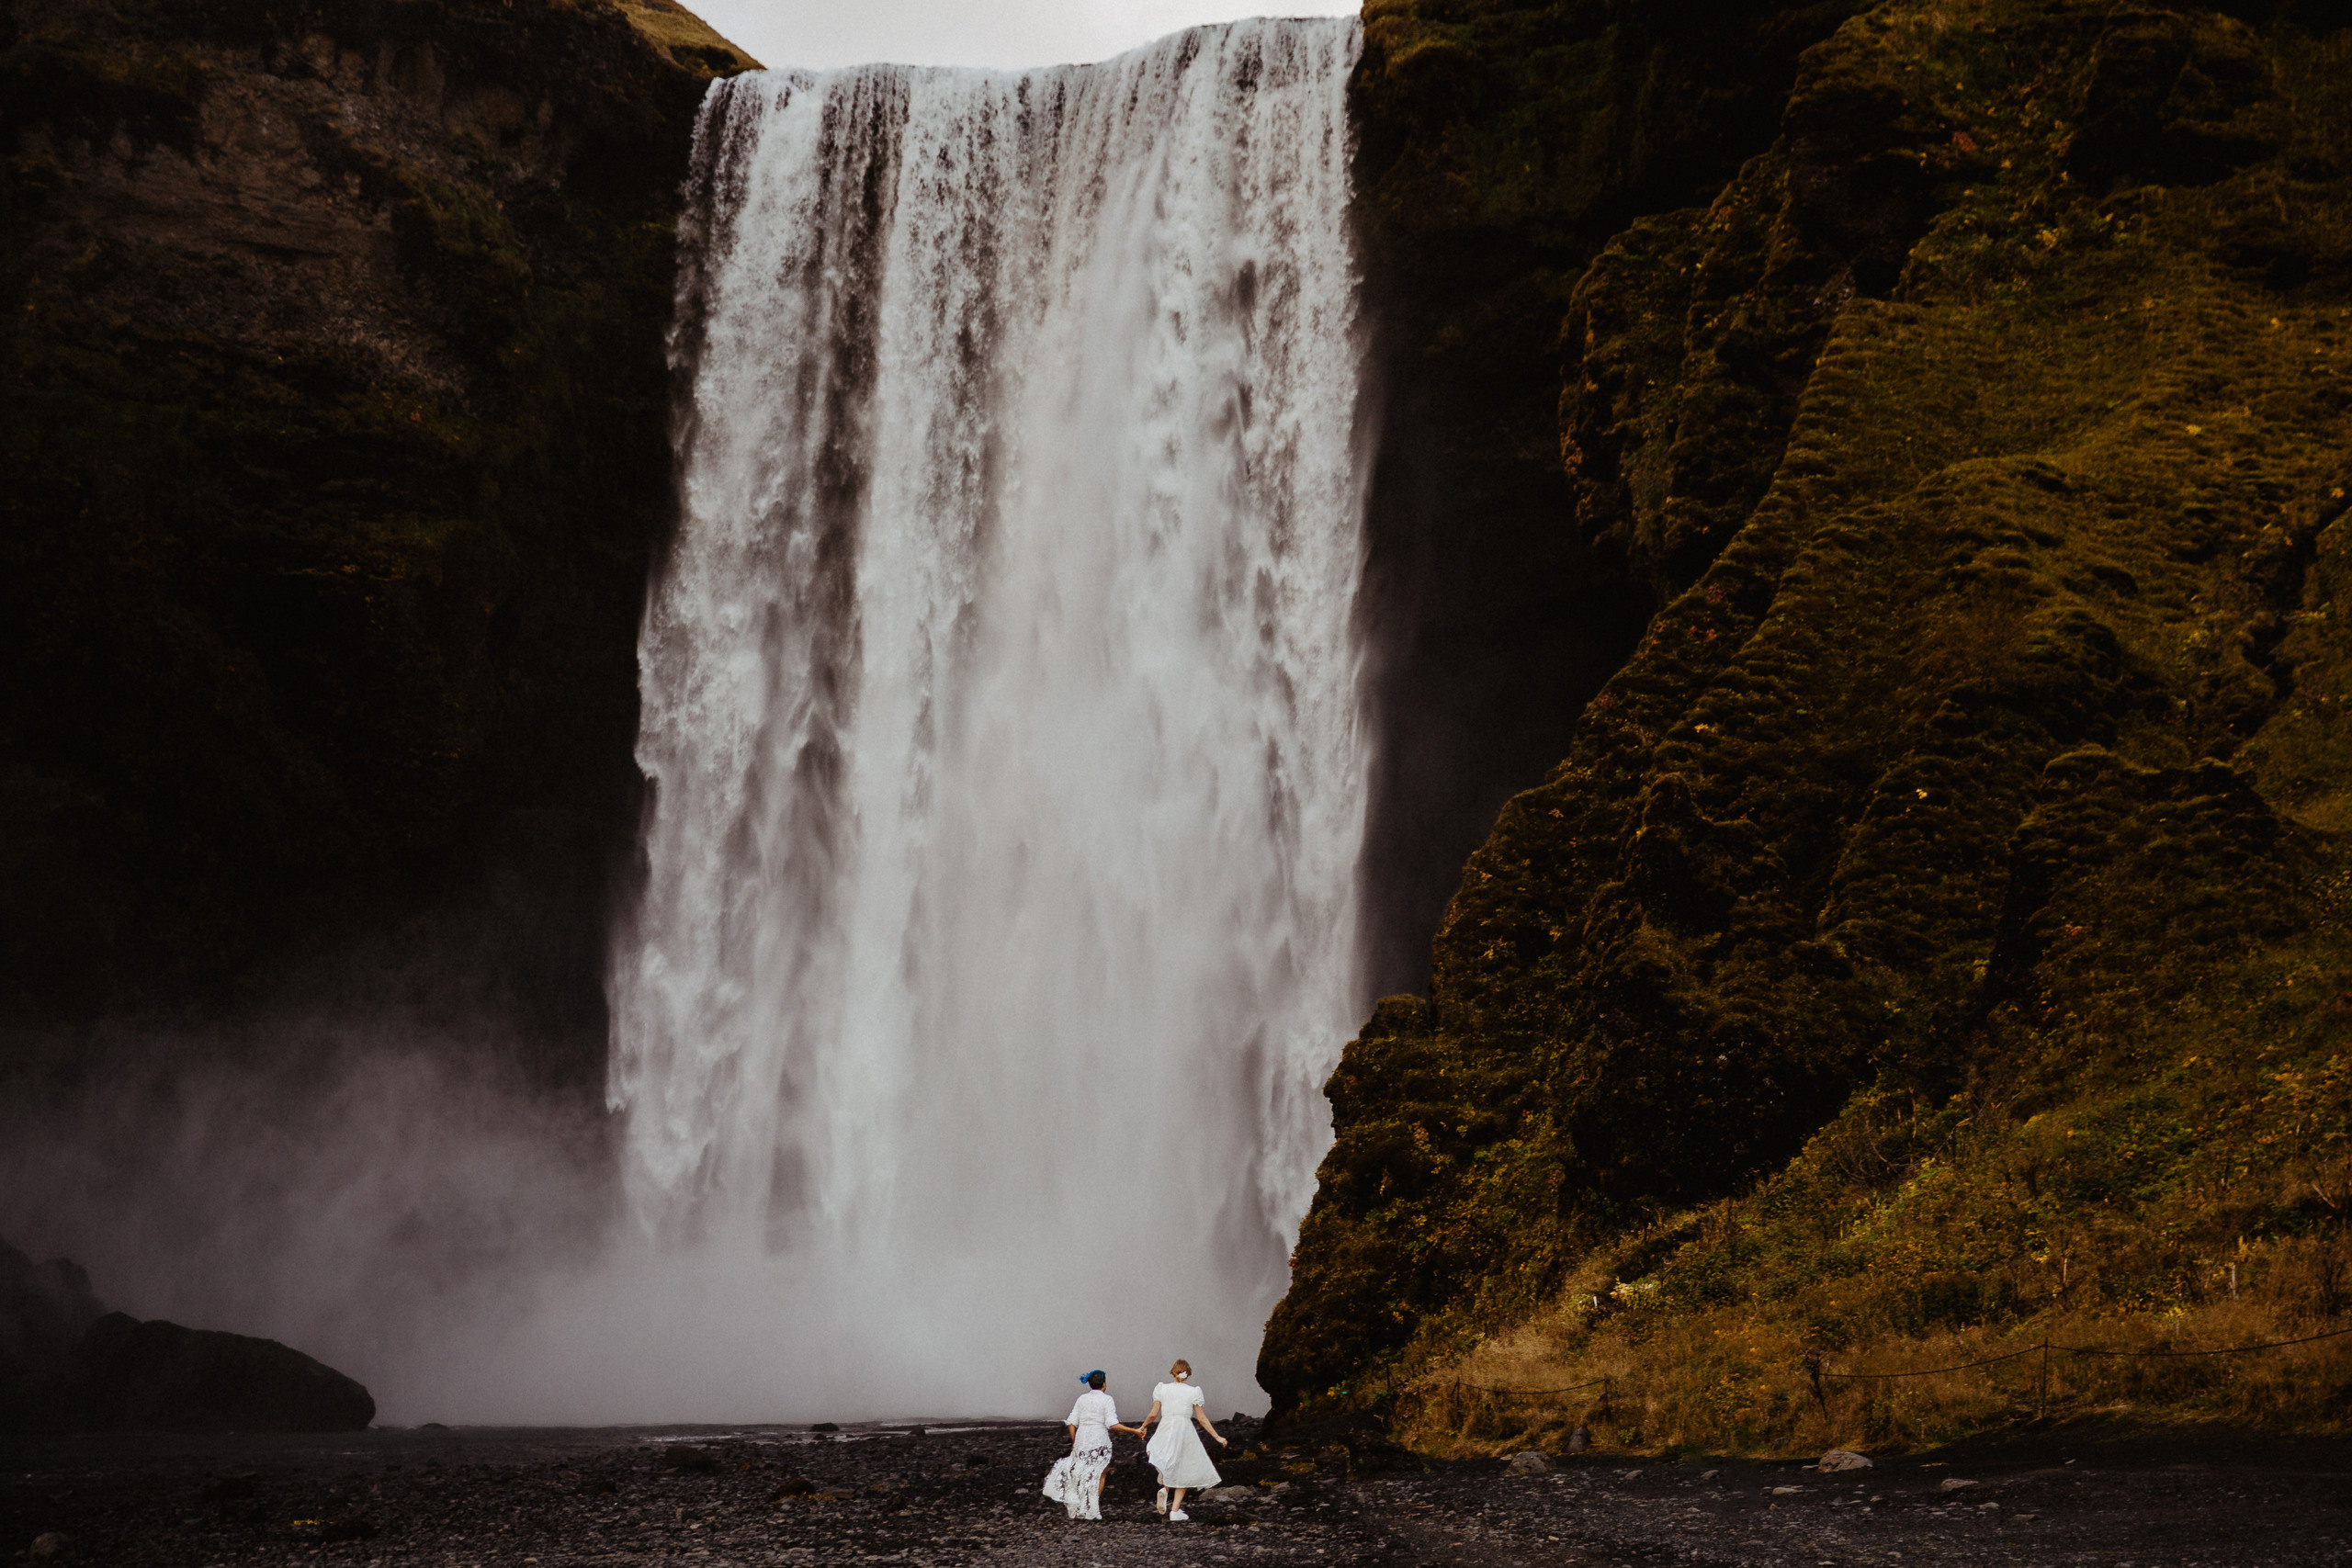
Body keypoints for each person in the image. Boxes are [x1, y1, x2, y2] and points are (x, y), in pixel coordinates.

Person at [1042, 1370, 1143, 1520]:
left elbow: (1071, 1422)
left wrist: (1074, 1441)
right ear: (1104, 1383)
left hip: (1082, 1440)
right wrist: (1134, 1431)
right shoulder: (1107, 1399)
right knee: (1099, 1474)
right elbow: (1112, 1423)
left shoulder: (1081, 1399)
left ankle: (1080, 1506)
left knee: (1081, 1474)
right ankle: (1090, 1509)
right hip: (1099, 1441)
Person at [1139, 1358, 1226, 1521]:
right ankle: (1175, 1511)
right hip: (1184, 1429)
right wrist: (1217, 1437)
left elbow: (1153, 1414)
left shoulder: (1162, 1389)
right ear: (1188, 1375)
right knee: (1184, 1467)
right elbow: (1202, 1419)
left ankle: (1165, 1488)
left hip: (1166, 1427)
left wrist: (1143, 1426)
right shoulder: (1194, 1392)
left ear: (1173, 1372)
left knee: (1167, 1460)